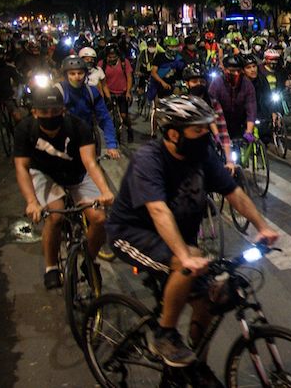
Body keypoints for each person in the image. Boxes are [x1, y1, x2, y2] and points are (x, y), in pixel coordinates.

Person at [106, 95, 278, 373]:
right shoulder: (148, 159)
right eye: (198, 130)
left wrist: (263, 227)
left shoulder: (202, 155)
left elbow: (233, 192)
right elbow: (158, 211)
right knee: (188, 264)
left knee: (209, 302)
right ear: (174, 133)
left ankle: (197, 367)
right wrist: (185, 256)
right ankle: (165, 334)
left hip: (177, 237)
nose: (205, 135)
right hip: (132, 235)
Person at [13, 86, 114, 289]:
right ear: (34, 112)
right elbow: (22, 167)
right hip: (45, 174)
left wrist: (105, 191)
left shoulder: (79, 127)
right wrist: (32, 202)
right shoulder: (25, 130)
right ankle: (51, 267)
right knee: (55, 217)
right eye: (44, 111)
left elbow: (90, 162)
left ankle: (90, 261)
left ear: (63, 110)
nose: (50, 115)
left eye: (55, 110)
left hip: (77, 173)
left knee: (99, 218)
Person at [56, 55, 120, 159]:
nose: (77, 77)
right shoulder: (57, 92)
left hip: (86, 138)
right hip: (61, 140)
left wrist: (111, 145)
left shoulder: (92, 92)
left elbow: (104, 118)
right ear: (66, 75)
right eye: (72, 74)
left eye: (80, 73)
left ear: (85, 74)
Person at [182, 63, 236, 174]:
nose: (199, 84)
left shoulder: (213, 102)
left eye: (202, 82)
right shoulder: (182, 104)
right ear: (187, 84)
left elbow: (223, 131)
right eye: (194, 81)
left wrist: (229, 160)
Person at [208, 55, 257, 142]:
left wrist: (249, 131)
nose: (236, 74)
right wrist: (216, 134)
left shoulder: (247, 84)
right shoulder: (216, 84)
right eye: (232, 71)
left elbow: (251, 108)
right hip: (220, 123)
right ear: (225, 70)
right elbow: (211, 110)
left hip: (238, 123)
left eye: (238, 71)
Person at [99, 44, 134, 143]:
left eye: (114, 57)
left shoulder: (124, 63)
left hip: (122, 92)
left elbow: (129, 77)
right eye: (110, 57)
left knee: (124, 115)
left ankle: (129, 129)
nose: (112, 59)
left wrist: (128, 92)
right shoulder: (102, 64)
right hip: (109, 92)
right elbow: (99, 80)